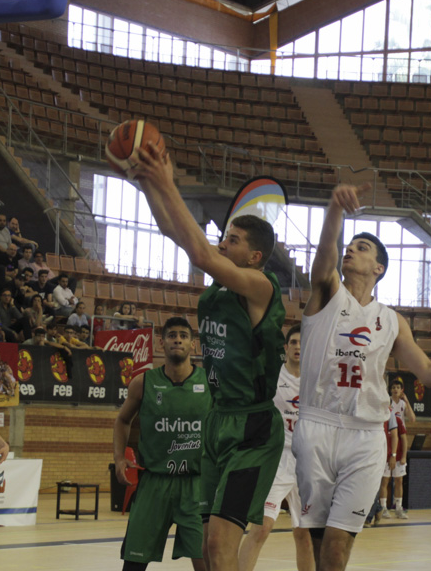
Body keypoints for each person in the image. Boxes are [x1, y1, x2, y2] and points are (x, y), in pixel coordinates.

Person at [293, 184, 431, 570]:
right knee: (317, 540)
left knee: (338, 543)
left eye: (362, 248)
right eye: (350, 246)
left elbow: (427, 372)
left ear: (378, 268)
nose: (350, 250)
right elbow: (325, 257)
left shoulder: (391, 320)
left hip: (365, 436)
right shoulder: (327, 293)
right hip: (317, 426)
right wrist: (334, 210)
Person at [133, 144, 286, 571]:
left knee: (220, 546)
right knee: (206, 551)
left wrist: (168, 179)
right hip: (217, 422)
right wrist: (147, 184)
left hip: (252, 427)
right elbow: (174, 232)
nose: (222, 243)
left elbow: (199, 252)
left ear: (254, 257)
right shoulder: (217, 292)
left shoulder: (260, 287)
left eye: (232, 240)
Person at [114, 317, 209, 571]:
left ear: (193, 345)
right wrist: (119, 458)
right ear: (162, 342)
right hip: (154, 482)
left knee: (206, 562)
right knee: (134, 563)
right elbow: (122, 420)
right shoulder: (143, 383)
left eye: (183, 335)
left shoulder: (210, 384)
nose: (177, 339)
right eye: (172, 335)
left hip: (196, 484)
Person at [238, 325, 314, 571]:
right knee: (261, 528)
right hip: (277, 459)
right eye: (293, 342)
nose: (298, 347)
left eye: (302, 343)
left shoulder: (316, 382)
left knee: (305, 535)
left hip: (306, 463)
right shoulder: (273, 378)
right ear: (285, 347)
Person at [378, 378, 416, 520]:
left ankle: (398, 508)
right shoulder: (380, 417)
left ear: (401, 390)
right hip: (384, 452)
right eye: (393, 387)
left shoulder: (398, 416)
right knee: (384, 481)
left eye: (398, 387)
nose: (395, 389)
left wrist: (403, 455)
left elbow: (410, 422)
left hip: (397, 452)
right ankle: (383, 508)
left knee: (398, 480)